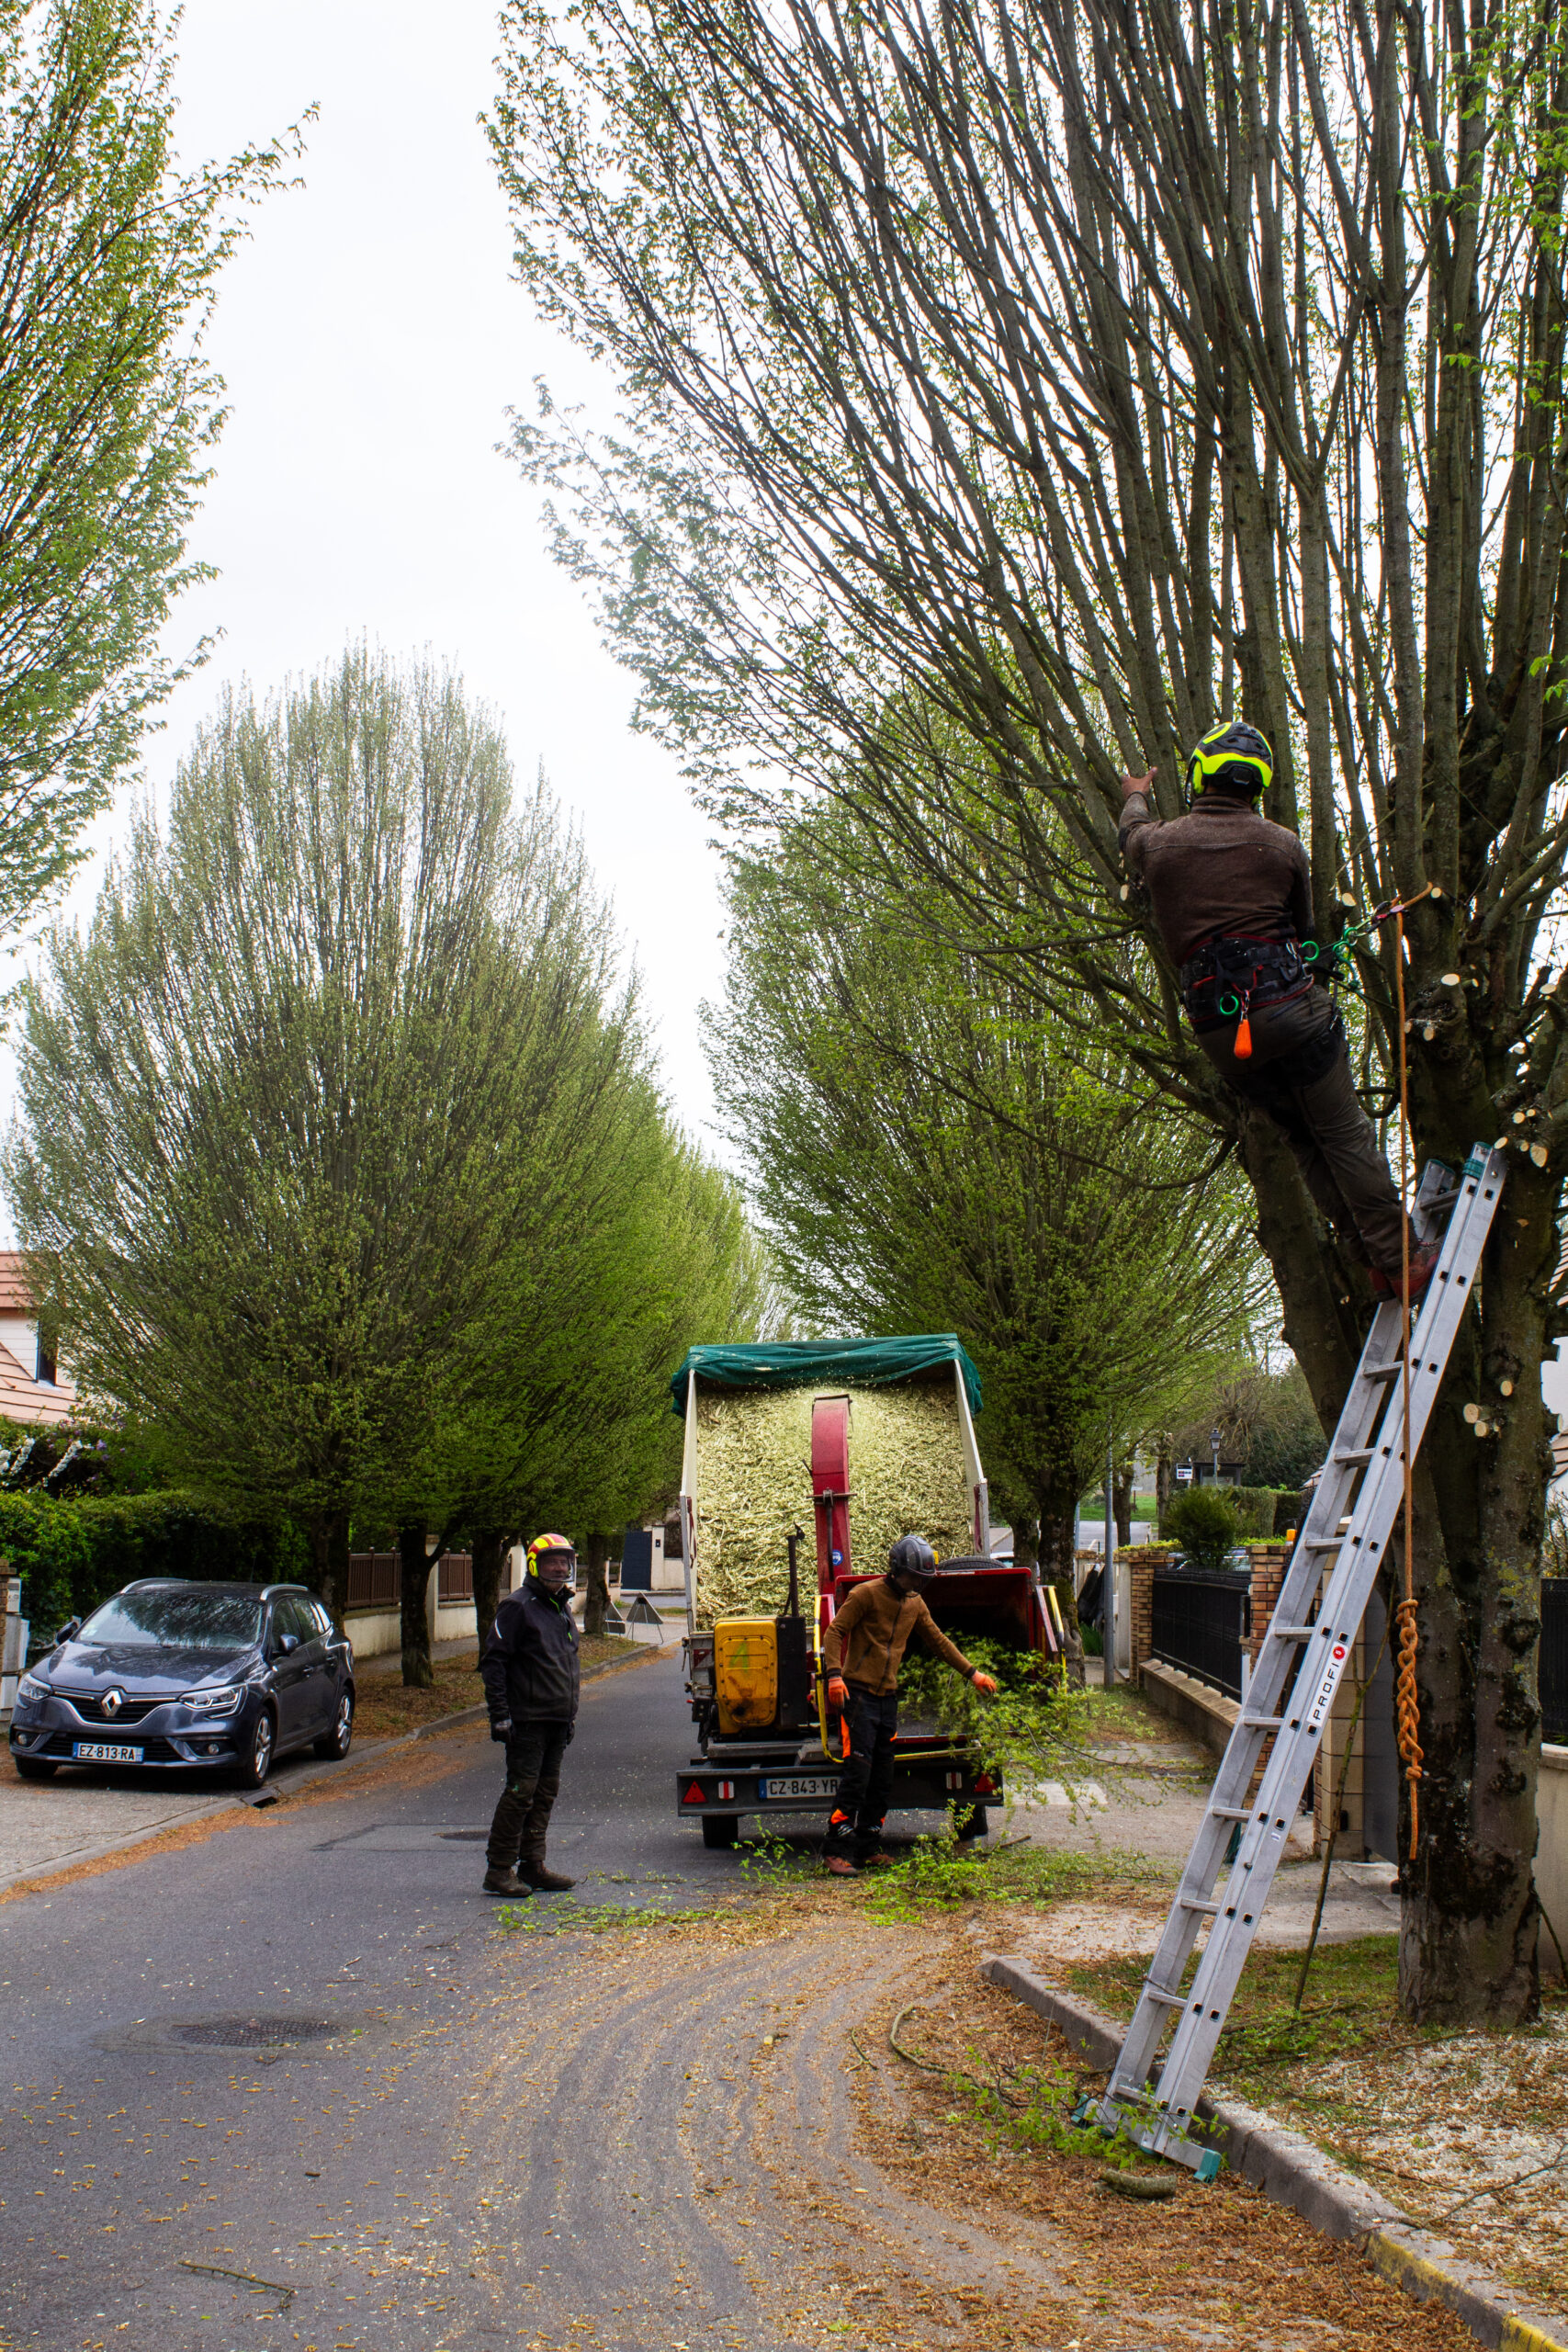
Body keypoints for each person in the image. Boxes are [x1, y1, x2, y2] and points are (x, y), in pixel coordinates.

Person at [1118, 719, 1435, 1300]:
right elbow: (1304, 933)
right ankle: (1401, 1260)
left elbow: (1130, 829)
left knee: (1304, 1141)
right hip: (1292, 1012)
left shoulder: (1158, 844)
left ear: (1201, 775)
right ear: (1257, 784)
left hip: (1221, 1030)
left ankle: (1368, 1259)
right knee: (1342, 1134)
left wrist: (1136, 791)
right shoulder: (1282, 844)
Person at [819, 1533, 998, 1876]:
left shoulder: (915, 1603)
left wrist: (973, 1674)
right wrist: (834, 1676)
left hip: (888, 1699)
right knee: (858, 1775)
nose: (918, 1584)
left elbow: (938, 1641)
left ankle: (868, 1849)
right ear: (897, 1570)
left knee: (882, 1778)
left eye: (922, 1580)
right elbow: (834, 1632)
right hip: (858, 1697)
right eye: (914, 1577)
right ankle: (834, 1850)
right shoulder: (865, 1594)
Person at [479, 1532, 581, 1898]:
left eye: (565, 1561)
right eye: (552, 1561)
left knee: (544, 1794)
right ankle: (499, 1869)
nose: (560, 1568)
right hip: (527, 1721)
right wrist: (500, 1715)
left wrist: (568, 1717)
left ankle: (532, 1865)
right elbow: (494, 1663)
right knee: (520, 1793)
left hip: (556, 1719)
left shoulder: (560, 1607)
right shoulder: (517, 1607)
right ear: (535, 1565)